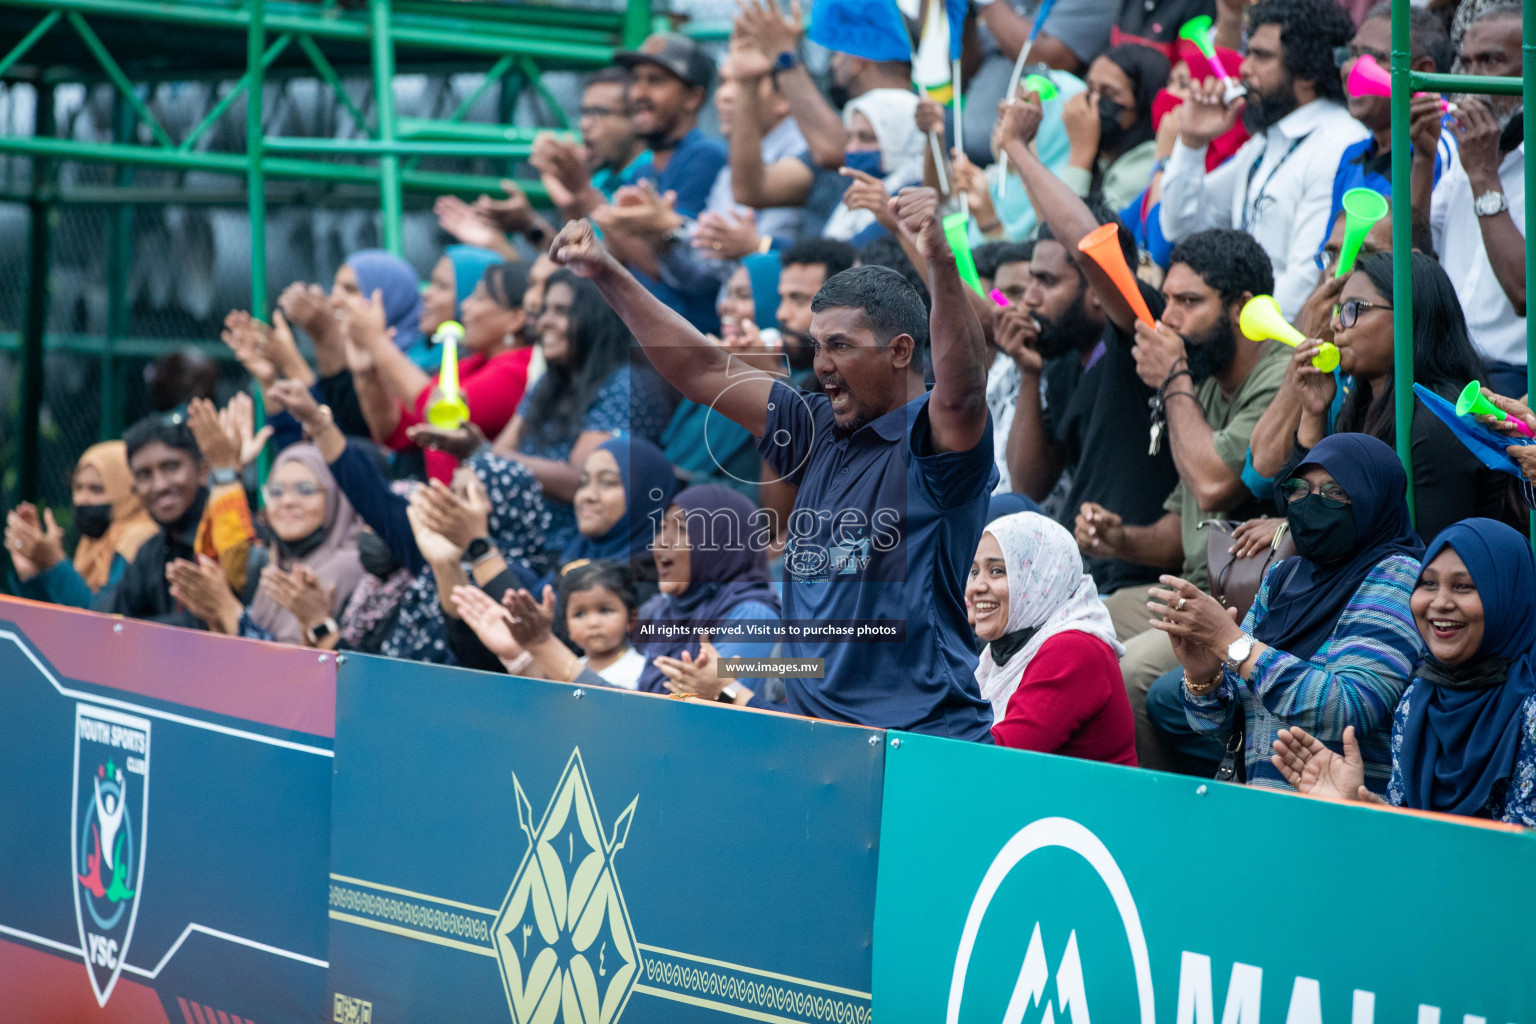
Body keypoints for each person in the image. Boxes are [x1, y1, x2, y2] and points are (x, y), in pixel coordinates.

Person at [547, 185, 997, 739]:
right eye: (817, 346)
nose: (822, 364)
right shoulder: (814, 424)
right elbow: (699, 368)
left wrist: (941, 262)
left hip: (919, 741)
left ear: (901, 351)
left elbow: (964, 391)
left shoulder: (934, 443)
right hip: (814, 741)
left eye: (841, 346)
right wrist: (605, 270)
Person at [1088, 229, 1289, 760]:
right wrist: (1117, 538)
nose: (1169, 318)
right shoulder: (1203, 383)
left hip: (1245, 605)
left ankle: (1160, 815)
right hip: (1192, 585)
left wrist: (1172, 376)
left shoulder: (1276, 377)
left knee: (1132, 673)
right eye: (1168, 298)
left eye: (1189, 301)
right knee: (1073, 629)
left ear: (1243, 308)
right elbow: (1180, 533)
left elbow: (1215, 482)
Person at [1157, 433, 1425, 790]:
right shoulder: (1283, 577)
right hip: (1268, 815)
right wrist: (1205, 676)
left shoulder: (1396, 574)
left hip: (1344, 826)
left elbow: (1350, 707)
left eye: (1334, 492)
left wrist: (1231, 642)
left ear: (1374, 500)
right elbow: (1221, 727)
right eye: (1300, 488)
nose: (1311, 503)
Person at [997, 99, 1180, 598]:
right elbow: (1029, 484)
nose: (1030, 296)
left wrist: (1016, 148)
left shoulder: (1140, 335)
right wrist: (1030, 375)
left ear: (1099, 296)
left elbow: (1088, 245)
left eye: (1048, 282)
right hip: (1082, 583)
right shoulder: (1059, 360)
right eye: (1030, 279)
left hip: (1143, 582)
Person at [1273, 518, 1536, 825]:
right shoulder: (1419, 699)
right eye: (1428, 584)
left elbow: (1519, 858)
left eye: (1463, 586)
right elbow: (1416, 835)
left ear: (1510, 596)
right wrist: (1361, 808)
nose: (1439, 603)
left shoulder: (1529, 709)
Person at [1253, 252, 1520, 542]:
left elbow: (1429, 559)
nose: (1336, 325)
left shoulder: (1438, 420)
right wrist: (1313, 414)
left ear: (1411, 315)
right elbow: (1294, 505)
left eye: (1355, 309)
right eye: (1340, 310)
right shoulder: (1364, 403)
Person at [1158, 0, 1366, 319]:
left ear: (1308, 72)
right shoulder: (1266, 141)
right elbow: (1179, 226)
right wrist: (1192, 142)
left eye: (1262, 56)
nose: (1243, 67)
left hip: (1276, 345)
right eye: (1248, 51)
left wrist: (1238, 336)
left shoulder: (1339, 142)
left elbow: (1305, 280)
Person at [491, 270, 665, 562]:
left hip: (579, 551)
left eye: (560, 311)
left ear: (595, 319)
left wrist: (486, 455)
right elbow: (499, 451)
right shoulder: (551, 382)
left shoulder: (626, 384)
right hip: (525, 543)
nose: (544, 321)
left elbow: (580, 481)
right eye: (544, 309)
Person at [1416, 1, 1526, 397]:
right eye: (1468, 63)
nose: (1474, 80)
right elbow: (1414, 250)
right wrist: (1424, 160)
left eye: (1492, 62)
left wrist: (1483, 176)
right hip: (1448, 369)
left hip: (1516, 380)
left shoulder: (1476, 161)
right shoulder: (1470, 154)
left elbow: (1524, 294)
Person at [969, 511, 1137, 763]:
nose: (977, 587)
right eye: (973, 572)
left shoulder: (1074, 649)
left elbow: (999, 757)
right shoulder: (1003, 650)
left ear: (1042, 577)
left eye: (996, 571)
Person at [354, 261, 534, 482]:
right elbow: (395, 432)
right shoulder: (472, 364)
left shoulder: (520, 370)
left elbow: (439, 409)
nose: (465, 306)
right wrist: (366, 374)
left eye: (479, 298)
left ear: (516, 318)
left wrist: (377, 342)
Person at [1320, 3, 1453, 253]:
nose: (1349, 68)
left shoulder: (1445, 149)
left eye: (1371, 56)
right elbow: (1333, 257)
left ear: (1422, 72)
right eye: (1350, 54)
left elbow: (1411, 259)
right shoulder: (1353, 154)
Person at [662, 260, 779, 498]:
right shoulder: (713, 376)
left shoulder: (794, 389)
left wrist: (683, 481)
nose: (725, 306)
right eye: (727, 294)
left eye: (743, 295)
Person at [7, 442, 159, 608]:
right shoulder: (94, 543)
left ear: (129, 490)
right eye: (78, 487)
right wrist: (32, 573)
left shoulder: (139, 538)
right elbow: (59, 622)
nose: (82, 499)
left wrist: (54, 562)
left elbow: (102, 620)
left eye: (96, 489)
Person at [93, 415, 207, 628]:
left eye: (171, 467)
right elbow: (110, 623)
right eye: (145, 474)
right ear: (134, 488)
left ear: (203, 471)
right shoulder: (150, 552)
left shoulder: (232, 540)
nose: (160, 485)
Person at [246, 444, 366, 646]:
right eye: (276, 491)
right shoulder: (276, 562)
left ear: (334, 496)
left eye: (305, 489)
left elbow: (291, 662)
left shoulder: (349, 567)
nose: (287, 501)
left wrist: (227, 610)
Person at [1060, 44, 1172, 212]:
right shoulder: (1106, 154)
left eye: (1109, 93)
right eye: (1090, 88)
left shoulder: (1149, 159)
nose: (1094, 101)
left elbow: (1070, 226)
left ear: (1143, 103)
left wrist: (1080, 154)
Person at [981, 242, 1035, 495]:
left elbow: (1026, 488)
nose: (1003, 306)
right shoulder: (1001, 367)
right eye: (998, 295)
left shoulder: (1061, 368)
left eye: (1017, 292)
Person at [418, 245, 504, 339]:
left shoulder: (462, 353)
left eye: (442, 286)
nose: (425, 293)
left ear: (470, 293)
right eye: (432, 282)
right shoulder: (416, 346)